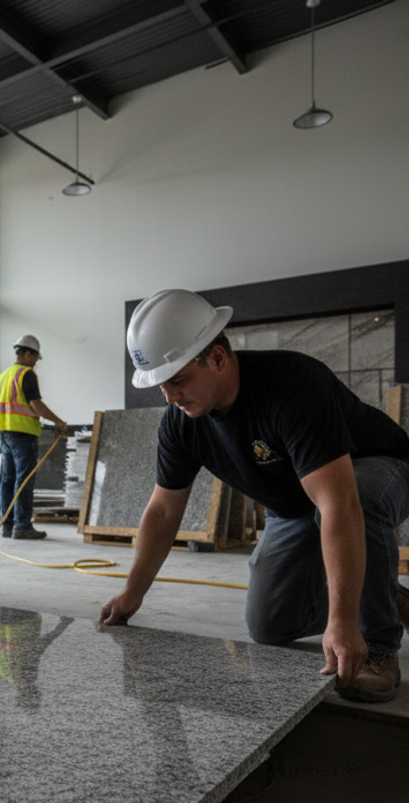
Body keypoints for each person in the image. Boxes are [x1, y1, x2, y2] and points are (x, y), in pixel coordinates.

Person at [100, 288, 409, 703]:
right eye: (160, 385)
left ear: (218, 358)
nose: (170, 397)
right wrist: (132, 592)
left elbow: (340, 504)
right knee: (269, 626)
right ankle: (379, 588)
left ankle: (381, 648)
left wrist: (343, 621)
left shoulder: (292, 384)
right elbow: (163, 510)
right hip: (295, 506)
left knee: (358, 500)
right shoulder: (181, 422)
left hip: (375, 470)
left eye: (178, 380)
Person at [0, 334, 67, 540]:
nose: (35, 362)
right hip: (23, 433)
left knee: (7, 479)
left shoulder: (4, 375)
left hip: (4, 432)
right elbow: (36, 405)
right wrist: (59, 421)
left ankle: (7, 526)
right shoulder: (27, 374)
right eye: (35, 357)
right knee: (24, 480)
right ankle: (22, 526)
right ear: (27, 354)